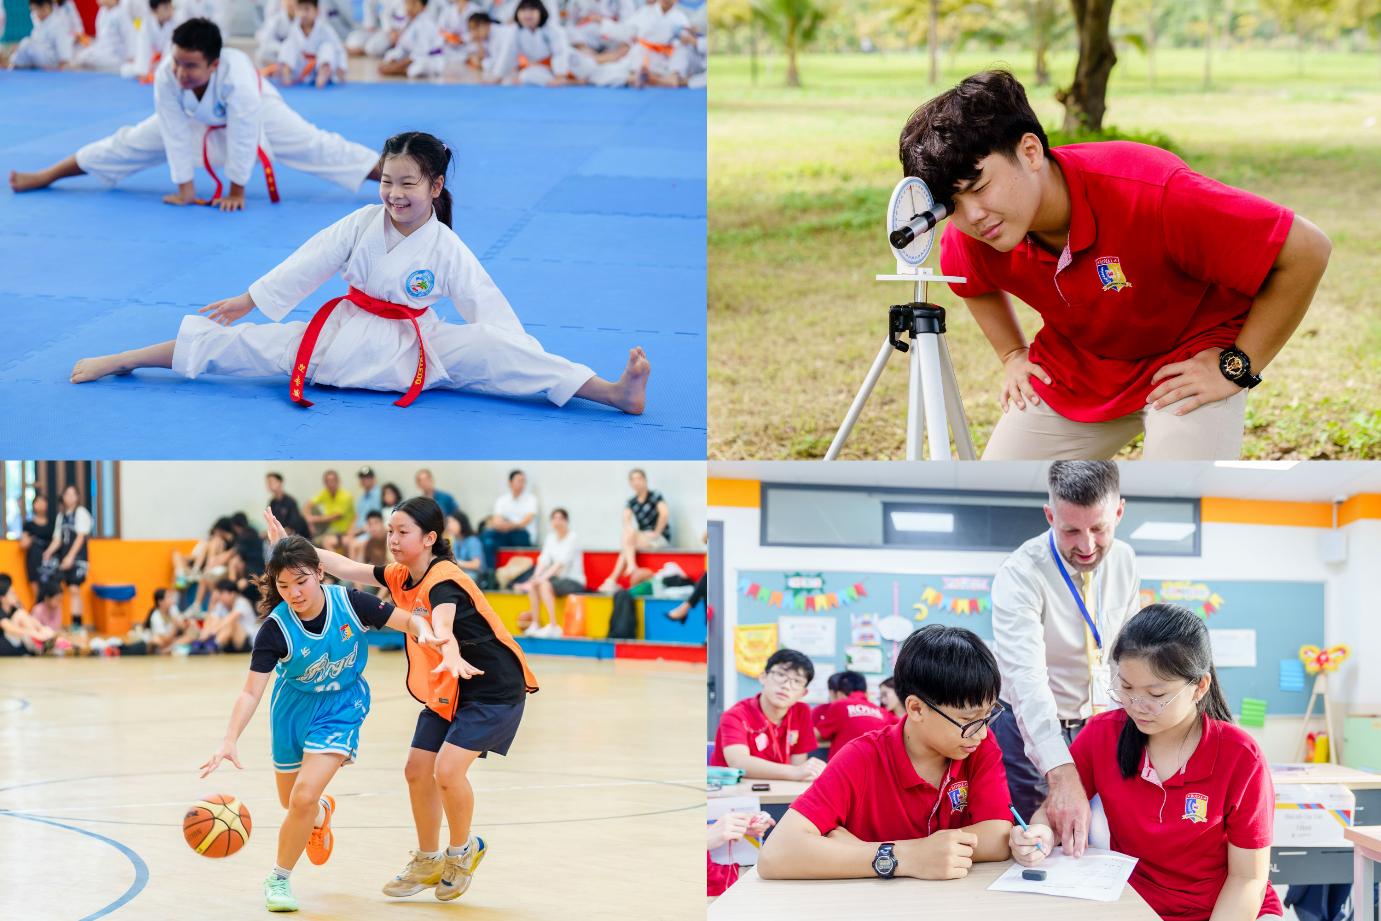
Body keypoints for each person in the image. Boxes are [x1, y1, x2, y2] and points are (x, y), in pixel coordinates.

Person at [898, 70, 1332, 460]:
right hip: (1078, 370)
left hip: (1186, 360)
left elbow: (1306, 251)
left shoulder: (1152, 191)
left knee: (1175, 513)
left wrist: (1236, 365)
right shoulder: (978, 229)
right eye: (953, 203)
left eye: (979, 187)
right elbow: (971, 284)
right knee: (999, 503)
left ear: (1030, 151)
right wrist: (1012, 353)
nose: (972, 215)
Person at [70, 131, 652, 415]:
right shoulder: (359, 224)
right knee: (242, 345)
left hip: (414, 349)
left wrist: (516, 345)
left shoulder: (444, 247)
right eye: (387, 181)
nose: (394, 194)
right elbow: (308, 262)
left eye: (408, 183)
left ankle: (612, 392)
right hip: (339, 339)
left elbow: (485, 303)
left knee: (496, 353)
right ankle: (124, 359)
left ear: (435, 186)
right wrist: (250, 298)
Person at [264, 497, 539, 903]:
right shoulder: (400, 575)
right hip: (450, 686)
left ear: (429, 538)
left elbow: (441, 621)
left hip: (491, 687)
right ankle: (428, 859)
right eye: (391, 531)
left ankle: (462, 853)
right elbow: (340, 565)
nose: (392, 539)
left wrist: (447, 649)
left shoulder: (444, 579)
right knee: (416, 769)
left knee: (447, 771)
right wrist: (288, 545)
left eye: (402, 532)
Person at [199, 534, 438, 912]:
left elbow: (408, 621)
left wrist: (425, 631)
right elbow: (250, 693)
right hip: (292, 710)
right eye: (283, 586)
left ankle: (277, 878)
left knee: (302, 797)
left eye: (301, 581)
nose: (294, 592)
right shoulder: (276, 630)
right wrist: (229, 739)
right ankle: (321, 812)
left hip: (342, 706)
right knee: (292, 801)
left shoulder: (352, 603)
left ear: (320, 573)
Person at [1010, 605, 1280, 920]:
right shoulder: (1102, 735)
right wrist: (1039, 835)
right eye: (1126, 688)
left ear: (1200, 687)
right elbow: (1056, 811)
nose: (1137, 706)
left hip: (1225, 909)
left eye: (1155, 694)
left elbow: (1247, 878)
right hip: (1134, 905)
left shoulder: (1240, 757)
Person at [10, 19, 381, 209]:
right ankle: (47, 175)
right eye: (177, 63)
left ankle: (396, 178)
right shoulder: (167, 76)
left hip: (261, 116)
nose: (181, 72)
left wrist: (236, 188)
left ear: (214, 64)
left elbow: (243, 132)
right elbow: (172, 131)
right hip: (193, 120)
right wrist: (184, 187)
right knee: (123, 144)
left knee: (319, 148)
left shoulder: (238, 79)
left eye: (191, 66)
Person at [756, 625, 1012, 881]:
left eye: (988, 715)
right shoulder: (862, 757)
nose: (980, 732)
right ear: (916, 709)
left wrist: (860, 849)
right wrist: (906, 857)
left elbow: (998, 837)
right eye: (968, 719)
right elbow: (775, 854)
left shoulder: (979, 745)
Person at [989, 460, 1140, 847]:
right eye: (1070, 530)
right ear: (1050, 515)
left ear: (1119, 512)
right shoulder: (1020, 573)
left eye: (1099, 528)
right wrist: (1059, 769)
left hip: (1099, 721)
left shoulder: (1124, 560)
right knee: (1031, 840)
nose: (1087, 546)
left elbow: (1128, 655)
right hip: (1032, 725)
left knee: (1100, 837)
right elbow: (1027, 681)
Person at [710, 649, 825, 782]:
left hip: (777, 790)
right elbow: (738, 763)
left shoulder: (801, 712)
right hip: (731, 792)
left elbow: (798, 764)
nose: (786, 686)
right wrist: (795, 772)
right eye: (781, 675)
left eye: (797, 681)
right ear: (763, 677)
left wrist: (803, 771)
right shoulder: (735, 715)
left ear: (803, 693)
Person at [515, 508, 584, 638]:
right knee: (534, 585)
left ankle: (554, 625)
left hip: (573, 580)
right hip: (556, 580)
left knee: (543, 584)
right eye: (554, 518)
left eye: (560, 518)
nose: (557, 522)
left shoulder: (572, 538)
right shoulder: (551, 538)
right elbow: (543, 560)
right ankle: (535, 624)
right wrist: (535, 578)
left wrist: (541, 579)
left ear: (566, 521)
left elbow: (560, 564)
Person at [599, 468, 669, 592]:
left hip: (658, 537)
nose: (636, 482)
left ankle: (612, 579)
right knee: (627, 535)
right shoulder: (631, 502)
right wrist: (629, 529)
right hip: (641, 538)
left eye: (639, 478)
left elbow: (664, 514)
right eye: (633, 480)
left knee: (626, 546)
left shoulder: (655, 495)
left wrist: (657, 532)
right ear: (630, 483)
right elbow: (626, 520)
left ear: (645, 480)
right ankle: (630, 567)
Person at [485, 0, 585, 85]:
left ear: (540, 12)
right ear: (517, 14)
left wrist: (560, 75)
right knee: (525, 76)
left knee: (588, 69)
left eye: (532, 11)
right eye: (523, 11)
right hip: (542, 68)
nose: (527, 15)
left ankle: (573, 79)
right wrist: (497, 76)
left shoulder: (552, 29)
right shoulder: (515, 31)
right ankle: (569, 82)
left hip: (566, 64)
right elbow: (507, 55)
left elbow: (560, 53)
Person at [42, 485, 91, 631]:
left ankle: (77, 624)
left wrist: (70, 557)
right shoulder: (61, 516)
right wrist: (48, 552)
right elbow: (58, 539)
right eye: (67, 494)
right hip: (63, 559)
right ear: (62, 497)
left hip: (78, 558)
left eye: (73, 494)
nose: (70, 497)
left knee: (74, 589)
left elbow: (80, 537)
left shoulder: (81, 513)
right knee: (55, 589)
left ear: (77, 497)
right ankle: (53, 624)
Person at [812, 671, 891, 759]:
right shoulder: (882, 712)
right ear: (866, 692)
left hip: (844, 767)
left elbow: (814, 736)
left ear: (839, 694)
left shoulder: (840, 705)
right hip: (874, 768)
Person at [479, 470, 538, 569]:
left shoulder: (531, 499)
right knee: (487, 537)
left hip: (522, 534)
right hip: (505, 533)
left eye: (523, 481)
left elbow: (526, 521)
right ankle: (490, 575)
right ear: (510, 483)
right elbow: (497, 520)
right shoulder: (502, 500)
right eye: (519, 481)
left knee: (519, 534)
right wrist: (503, 525)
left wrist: (510, 525)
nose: (522, 484)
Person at [378, 0, 444, 78]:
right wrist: (393, 60)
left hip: (430, 60)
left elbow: (419, 54)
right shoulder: (407, 21)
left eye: (413, 4)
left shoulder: (426, 24)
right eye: (407, 3)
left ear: (423, 7)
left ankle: (402, 71)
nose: (409, 7)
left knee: (418, 69)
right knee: (390, 55)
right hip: (410, 56)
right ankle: (401, 68)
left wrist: (394, 68)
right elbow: (402, 47)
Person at [6, 0, 74, 70]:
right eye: (32, 10)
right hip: (40, 61)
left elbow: (64, 54)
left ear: (45, 8)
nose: (33, 13)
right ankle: (14, 67)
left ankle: (13, 66)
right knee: (24, 44)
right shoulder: (40, 23)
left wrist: (61, 68)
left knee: (27, 44)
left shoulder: (59, 23)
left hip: (53, 63)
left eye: (34, 10)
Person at [0, 574, 57, 655]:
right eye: (11, 593)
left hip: (17, 641)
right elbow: (9, 628)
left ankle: (43, 639)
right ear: (2, 598)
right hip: (4, 644)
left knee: (24, 615)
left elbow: (29, 619)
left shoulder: (14, 608)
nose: (15, 596)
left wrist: (41, 628)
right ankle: (39, 644)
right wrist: (33, 633)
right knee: (20, 614)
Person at [74, 0, 136, 72]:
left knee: (85, 58)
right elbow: (101, 36)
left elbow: (130, 36)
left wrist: (131, 57)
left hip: (116, 55)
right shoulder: (102, 12)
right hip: (103, 50)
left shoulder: (122, 13)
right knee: (81, 56)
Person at [121, 0, 176, 81]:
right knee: (126, 70)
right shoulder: (147, 23)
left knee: (168, 72)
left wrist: (163, 72)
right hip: (151, 60)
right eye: (166, 8)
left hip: (166, 60)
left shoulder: (175, 23)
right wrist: (143, 72)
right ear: (155, 10)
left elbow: (169, 50)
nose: (170, 11)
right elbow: (144, 48)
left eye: (171, 7)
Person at [305, 469, 356, 548]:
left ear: (338, 481)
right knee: (313, 509)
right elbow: (308, 504)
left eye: (332, 481)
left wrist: (314, 519)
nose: (330, 484)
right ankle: (314, 534)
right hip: (328, 526)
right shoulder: (325, 493)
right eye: (327, 481)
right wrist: (309, 522)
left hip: (342, 529)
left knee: (316, 542)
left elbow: (336, 516)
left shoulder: (346, 496)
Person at [19, 495, 55, 598]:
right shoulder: (29, 524)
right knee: (37, 593)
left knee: (51, 590)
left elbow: (57, 541)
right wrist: (32, 539)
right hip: (34, 559)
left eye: (43, 501)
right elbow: (23, 544)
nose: (40, 504)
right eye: (38, 502)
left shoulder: (52, 524)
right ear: (33, 505)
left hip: (49, 559)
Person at [267, 472, 311, 538]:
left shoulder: (290, 501)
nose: (269, 485)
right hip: (282, 535)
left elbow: (293, 526)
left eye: (271, 482)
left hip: (297, 537)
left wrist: (279, 532)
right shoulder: (272, 503)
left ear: (280, 482)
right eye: (267, 482)